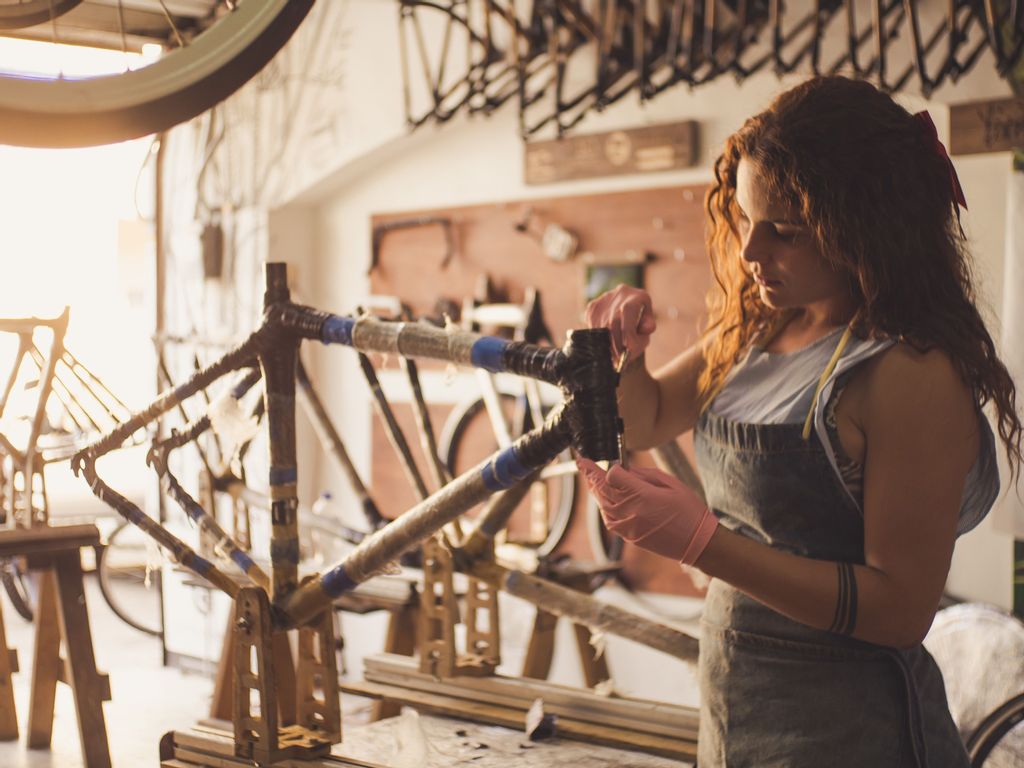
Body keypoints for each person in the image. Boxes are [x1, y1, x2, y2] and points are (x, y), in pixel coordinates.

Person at [578, 75, 1022, 767]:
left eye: (783, 231)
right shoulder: (763, 326)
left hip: (854, 732)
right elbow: (649, 419)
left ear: (863, 228)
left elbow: (902, 609)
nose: (751, 252)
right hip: (741, 705)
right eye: (747, 218)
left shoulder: (908, 372)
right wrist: (624, 358)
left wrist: (703, 544)